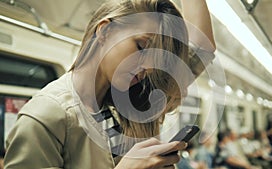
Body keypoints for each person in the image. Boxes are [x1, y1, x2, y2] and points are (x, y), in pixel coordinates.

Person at [4, 0, 216, 168]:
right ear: (105, 31)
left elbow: (201, 50)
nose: (149, 67)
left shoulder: (135, 98)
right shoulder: (47, 115)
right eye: (142, 47)